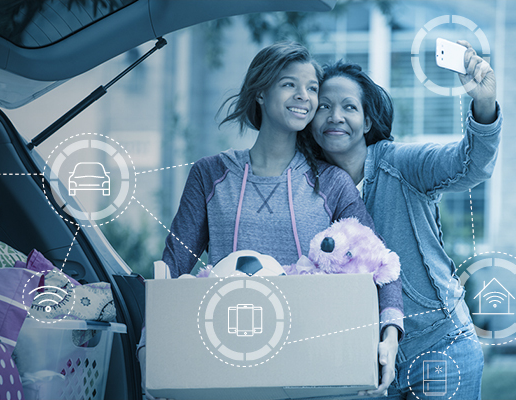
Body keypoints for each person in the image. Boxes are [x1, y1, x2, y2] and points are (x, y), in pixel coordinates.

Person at [139, 41, 404, 399]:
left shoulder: (331, 182)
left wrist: (390, 333)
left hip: (311, 366)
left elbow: (379, 261)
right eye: (289, 84)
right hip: (228, 360)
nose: (304, 96)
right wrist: (146, 348)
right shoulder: (210, 175)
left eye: (312, 88)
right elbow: (171, 268)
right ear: (261, 92)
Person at [309, 41, 501, 399]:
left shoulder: (401, 164)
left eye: (349, 107)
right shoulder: (308, 188)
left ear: (367, 121)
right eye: (324, 107)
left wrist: (484, 103)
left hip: (440, 349)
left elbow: (471, 163)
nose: (335, 116)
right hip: (363, 364)